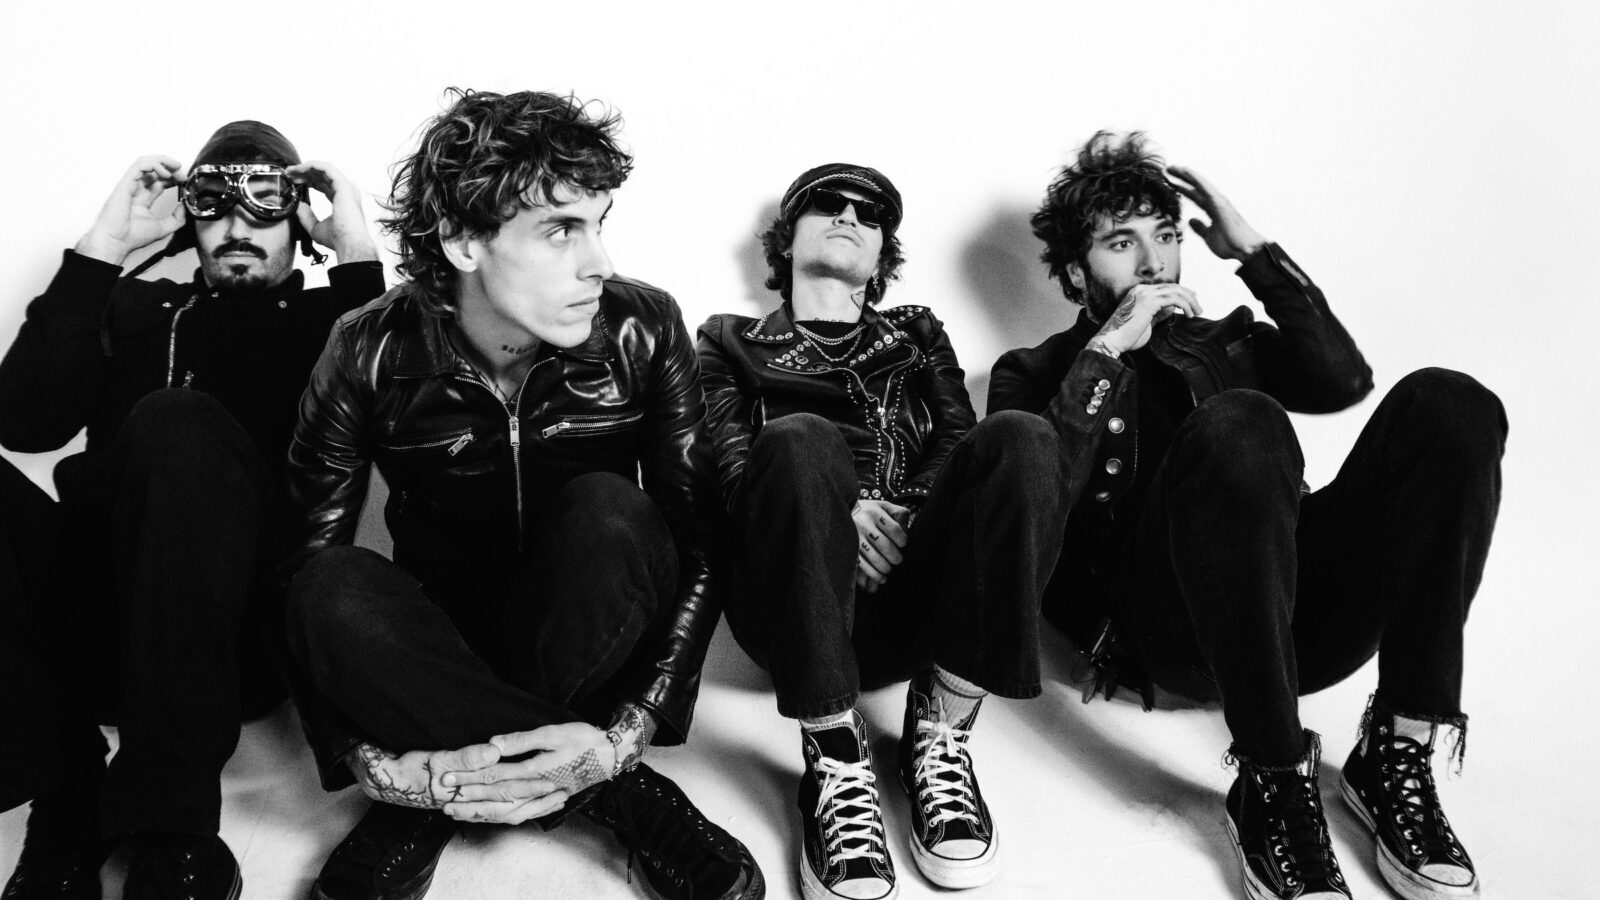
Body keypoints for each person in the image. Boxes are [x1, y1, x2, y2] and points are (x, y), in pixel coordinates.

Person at [989, 131, 1505, 900]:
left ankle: (1397, 749)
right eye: (1122, 243)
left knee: (1451, 404)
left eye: (1166, 236)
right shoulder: (1031, 373)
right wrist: (1110, 348)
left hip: (1298, 622)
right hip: (1166, 634)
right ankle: (1272, 779)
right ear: (1073, 272)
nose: (1154, 262)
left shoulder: (1225, 344)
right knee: (1242, 421)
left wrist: (1254, 254)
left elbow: (1341, 379)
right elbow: (1032, 505)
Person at [282, 88, 763, 900]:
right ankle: (616, 794)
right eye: (561, 230)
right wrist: (367, 759)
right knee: (327, 586)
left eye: (599, 224)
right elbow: (301, 563)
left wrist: (631, 725)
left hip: (593, 626)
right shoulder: (366, 349)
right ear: (464, 241)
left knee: (611, 510)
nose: (599, 263)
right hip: (438, 646)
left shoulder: (645, 327)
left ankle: (450, 786)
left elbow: (701, 542)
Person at [0, 121, 383, 900]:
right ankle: (66, 796)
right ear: (189, 217)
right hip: (95, 627)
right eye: (215, 204)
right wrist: (105, 246)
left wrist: (355, 255)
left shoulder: (332, 325)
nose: (238, 225)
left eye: (265, 202)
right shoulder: (134, 307)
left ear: (298, 218)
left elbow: (398, 415)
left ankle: (175, 831)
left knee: (175, 422)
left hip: (233, 633)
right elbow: (23, 421)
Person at [697, 164, 1067, 900]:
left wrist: (906, 512)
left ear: (881, 255)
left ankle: (942, 730)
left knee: (1022, 436)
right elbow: (729, 469)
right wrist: (845, 515)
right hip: (790, 607)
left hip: (915, 601)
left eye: (869, 215)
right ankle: (835, 758)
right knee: (798, 438)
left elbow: (958, 437)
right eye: (827, 204)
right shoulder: (729, 339)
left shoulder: (916, 332)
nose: (849, 217)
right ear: (786, 239)